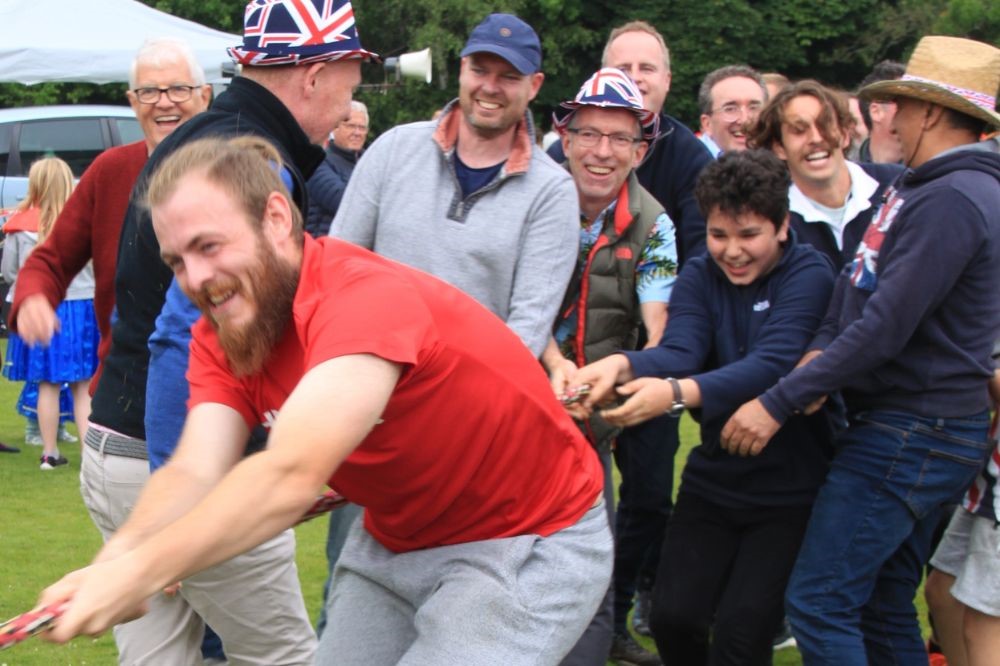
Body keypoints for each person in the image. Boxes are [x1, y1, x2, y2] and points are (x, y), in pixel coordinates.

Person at [41, 134, 612, 666]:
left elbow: (290, 475)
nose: (196, 277)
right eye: (177, 261)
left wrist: (140, 571)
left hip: (527, 537)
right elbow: (194, 468)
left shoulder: (362, 299)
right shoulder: (222, 334)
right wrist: (116, 562)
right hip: (396, 539)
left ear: (276, 217)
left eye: (208, 246)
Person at [721, 36, 1000, 664]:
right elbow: (856, 295)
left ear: (929, 112)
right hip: (923, 428)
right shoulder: (922, 188)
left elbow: (884, 327)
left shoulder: (952, 199)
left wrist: (778, 400)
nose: (889, 116)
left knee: (820, 602)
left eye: (899, 104)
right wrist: (817, 363)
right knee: (880, 600)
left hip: (911, 430)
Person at [569, 149, 835, 665]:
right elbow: (680, 351)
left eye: (748, 235)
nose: (732, 252)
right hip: (716, 476)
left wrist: (671, 394)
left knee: (740, 633)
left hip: (791, 487)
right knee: (673, 618)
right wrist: (620, 366)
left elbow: (772, 363)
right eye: (718, 235)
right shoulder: (699, 274)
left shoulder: (809, 273)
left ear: (782, 226)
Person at [542, 67, 677, 666]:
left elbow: (659, 327)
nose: (602, 151)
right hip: (510, 408)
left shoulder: (656, 226)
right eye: (590, 134)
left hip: (589, 419)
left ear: (640, 150)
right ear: (565, 138)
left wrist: (622, 374)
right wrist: (550, 363)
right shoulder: (524, 197)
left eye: (620, 138)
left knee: (589, 566)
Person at [2, 157, 96, 470]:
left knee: (47, 384)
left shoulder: (19, 226)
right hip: (82, 307)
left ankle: (49, 452)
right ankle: (89, 456)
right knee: (84, 385)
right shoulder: (84, 221)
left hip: (40, 307)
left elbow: (10, 272)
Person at [749, 80, 902, 269]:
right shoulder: (769, 216)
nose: (816, 138)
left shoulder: (899, 185)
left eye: (825, 125)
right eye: (799, 130)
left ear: (845, 134)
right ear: (779, 147)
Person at [305, 99, 369, 236]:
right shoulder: (318, 161)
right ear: (335, 127)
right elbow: (344, 202)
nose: (357, 132)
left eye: (362, 128)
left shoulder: (371, 161)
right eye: (351, 126)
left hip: (359, 250)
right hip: (325, 249)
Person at [697, 65, 768, 157]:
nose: (744, 120)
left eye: (753, 108)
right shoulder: (686, 165)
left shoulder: (782, 164)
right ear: (707, 124)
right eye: (730, 109)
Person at [855, 60, 905, 164]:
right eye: (903, 101)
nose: (915, 110)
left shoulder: (929, 171)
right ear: (876, 112)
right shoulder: (848, 172)